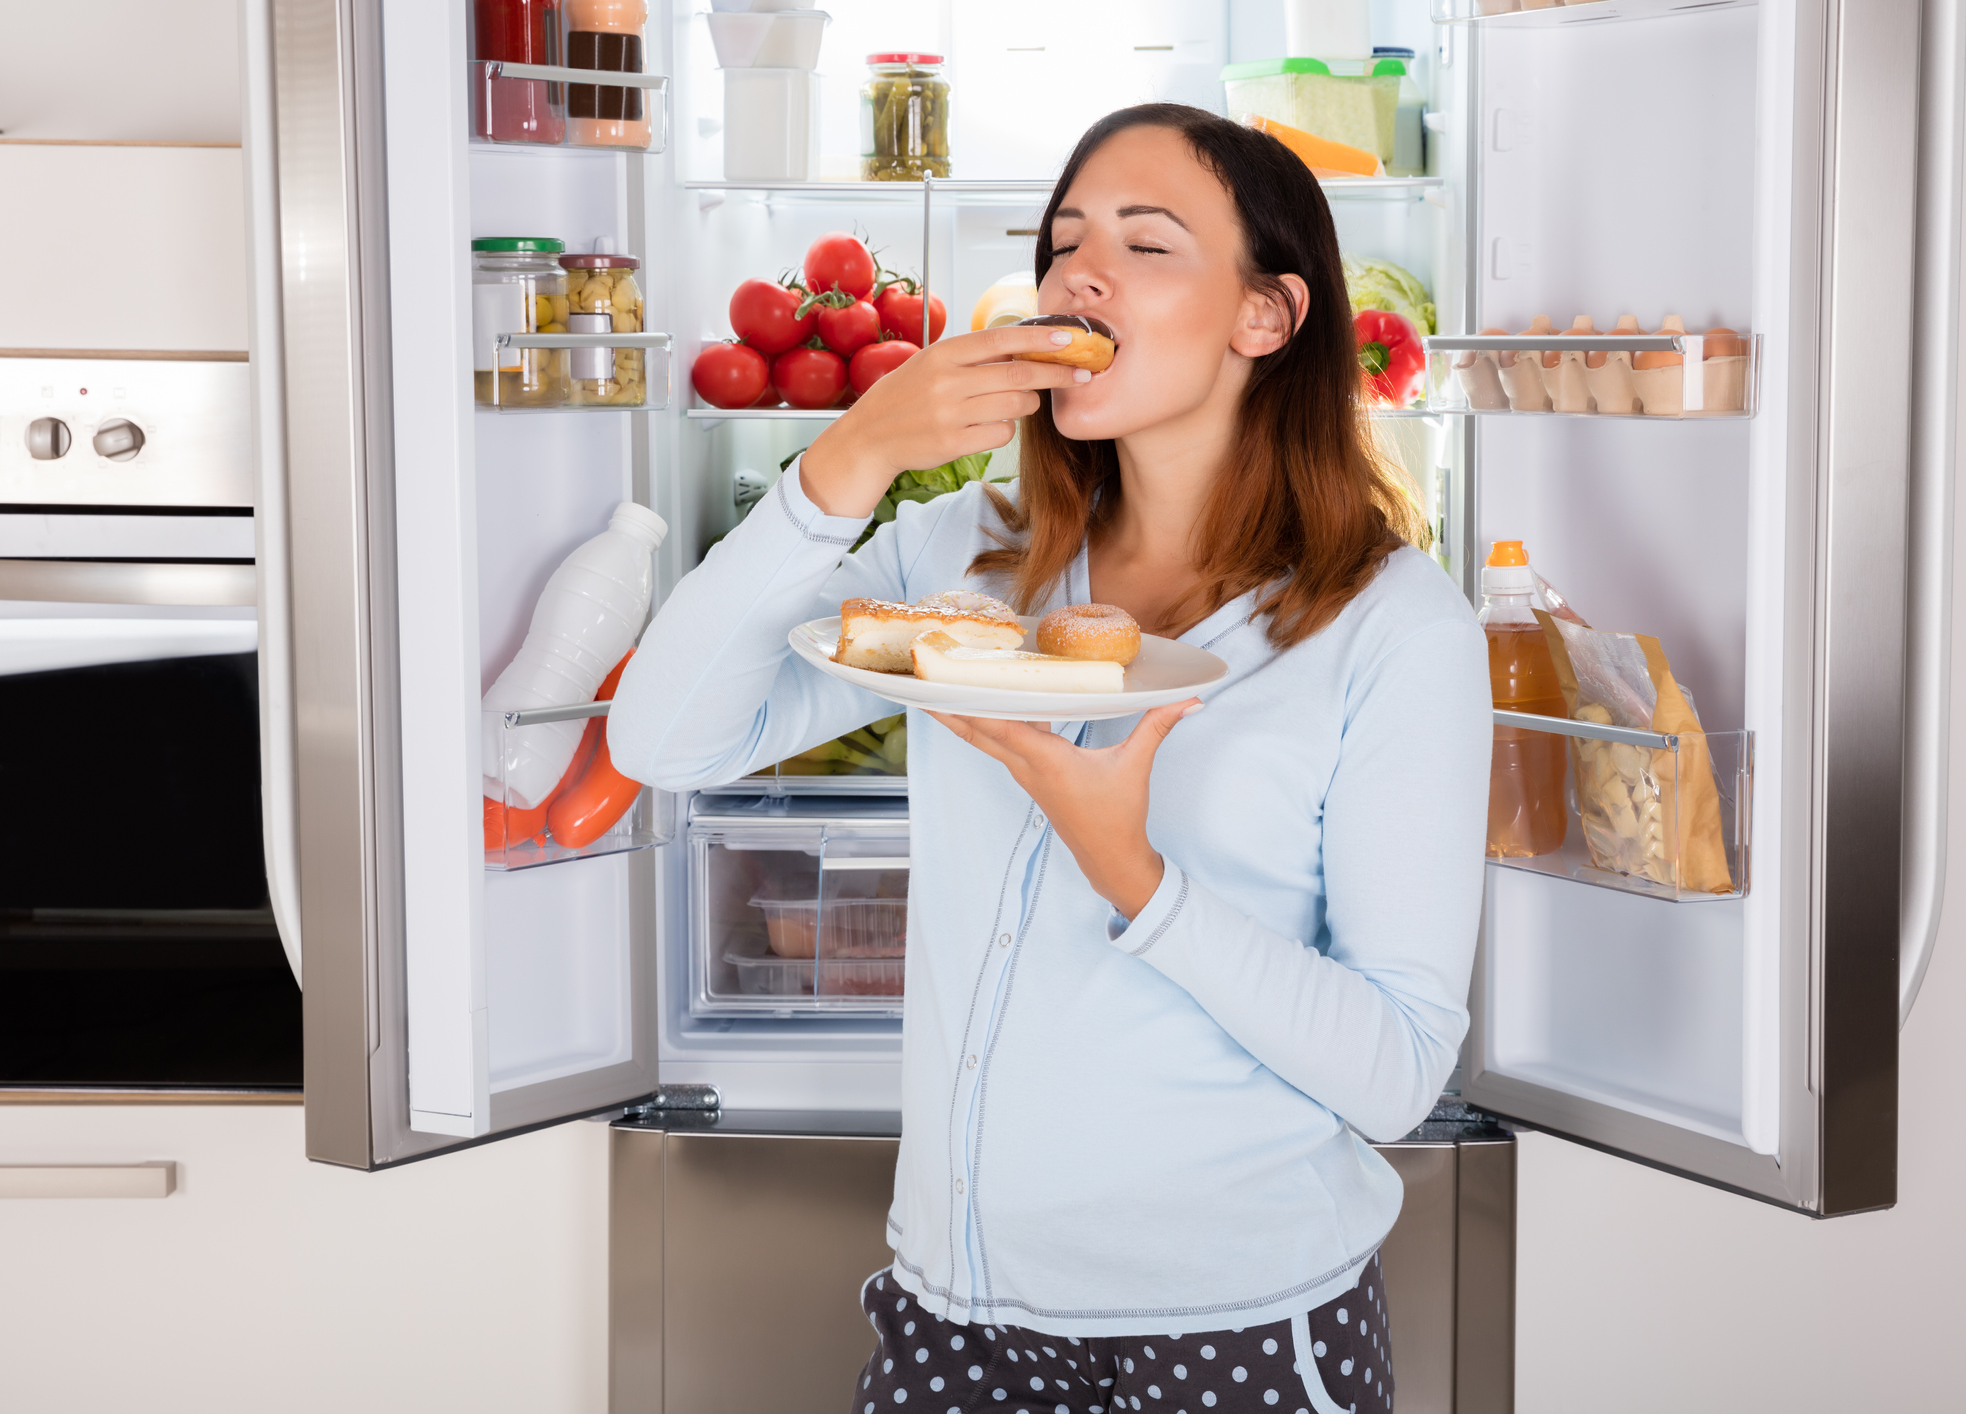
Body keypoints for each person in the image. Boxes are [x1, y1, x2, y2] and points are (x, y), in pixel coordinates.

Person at [608, 103, 1489, 1414]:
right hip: (952, 1307)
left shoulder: (1390, 626)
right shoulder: (970, 551)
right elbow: (666, 738)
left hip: (1233, 1328)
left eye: (1144, 242)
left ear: (1265, 316)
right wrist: (846, 460)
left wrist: (1132, 873)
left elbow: (1395, 1072)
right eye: (1063, 237)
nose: (1078, 271)